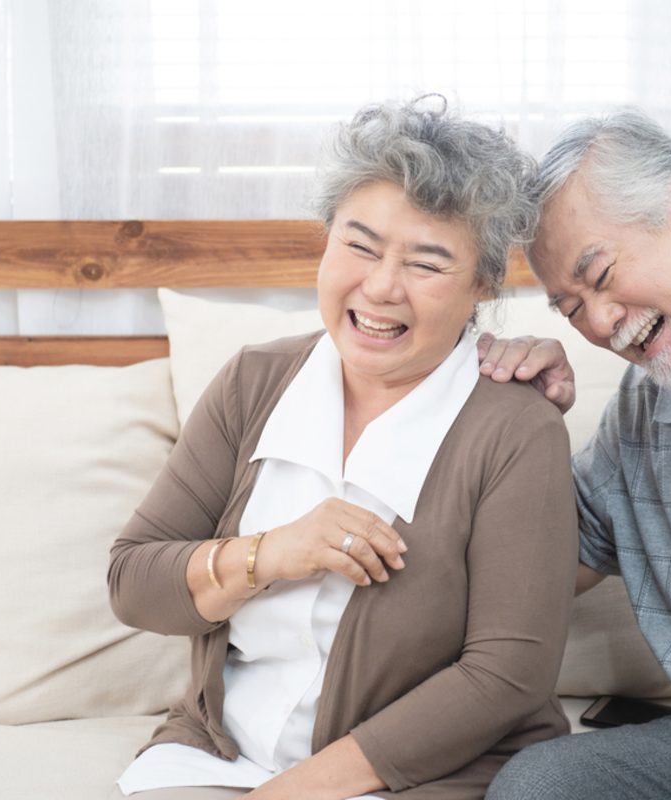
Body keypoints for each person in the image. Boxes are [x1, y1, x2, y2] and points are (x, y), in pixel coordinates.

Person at [106, 97, 578, 800]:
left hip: (424, 776)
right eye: (360, 245)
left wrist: (289, 794)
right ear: (326, 242)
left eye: (427, 263)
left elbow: (507, 677)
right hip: (219, 754)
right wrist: (272, 552)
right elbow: (135, 583)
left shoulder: (515, 427)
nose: (382, 287)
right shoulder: (252, 382)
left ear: (482, 283)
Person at [481, 110, 671, 800]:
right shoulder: (642, 408)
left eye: (600, 274)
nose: (599, 324)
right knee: (542, 787)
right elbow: (541, 569)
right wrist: (513, 420)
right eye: (569, 308)